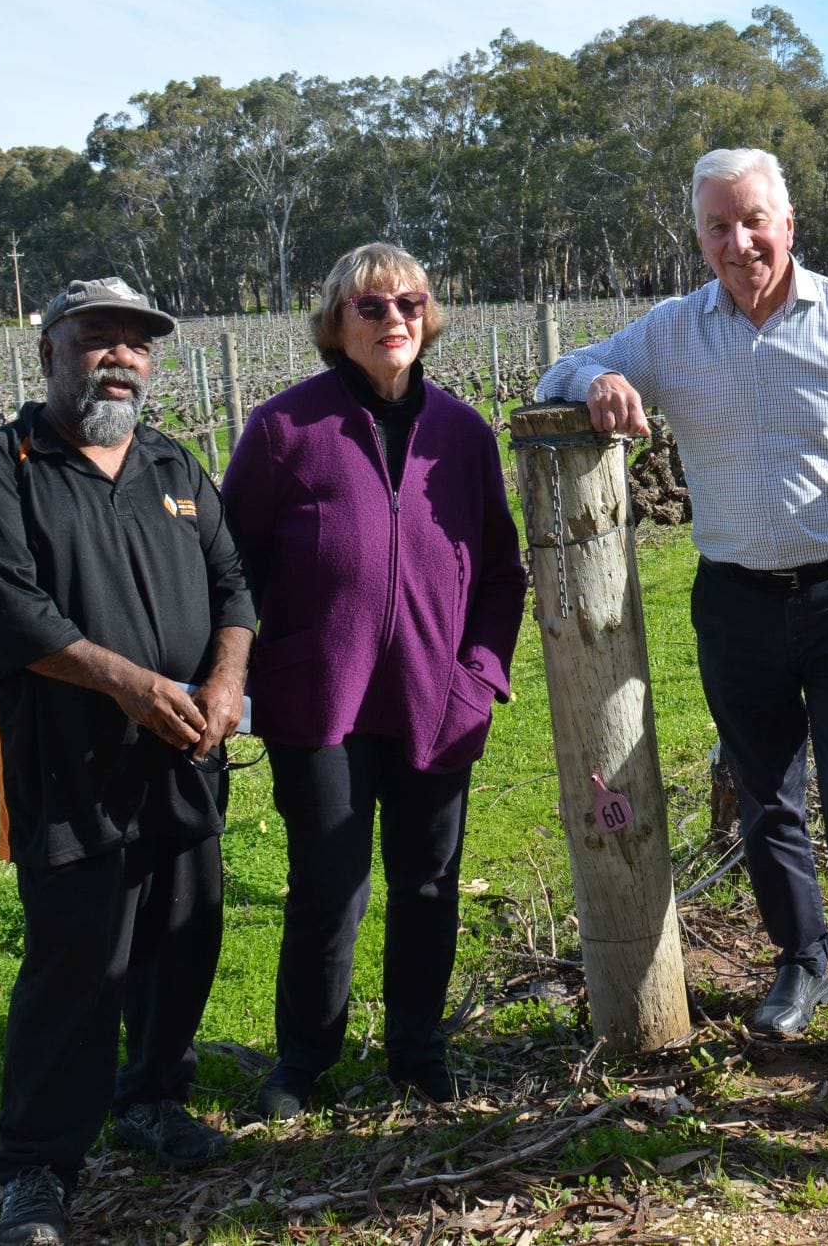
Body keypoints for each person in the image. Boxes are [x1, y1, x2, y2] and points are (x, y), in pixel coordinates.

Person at [535, 147, 828, 1084]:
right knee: (763, 795)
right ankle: (801, 959)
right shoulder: (674, 330)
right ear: (700, 238)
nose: (739, 242)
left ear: (788, 224)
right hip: (736, 603)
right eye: (718, 226)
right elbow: (561, 367)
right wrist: (596, 382)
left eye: (754, 220)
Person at [0, 277, 255, 1246]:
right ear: (49, 351)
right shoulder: (0, 469)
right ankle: (37, 1166)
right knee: (76, 960)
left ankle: (152, 1095)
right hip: (69, 767)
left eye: (135, 342)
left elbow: (232, 584)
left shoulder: (172, 464)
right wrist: (127, 683)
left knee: (182, 936)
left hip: (184, 755)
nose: (119, 356)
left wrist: (226, 678)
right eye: (96, 338)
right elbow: (9, 609)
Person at [223, 243, 526, 1117]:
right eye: (371, 306)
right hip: (319, 705)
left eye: (410, 303)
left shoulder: (464, 435)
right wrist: (245, 675)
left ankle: (417, 1052)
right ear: (337, 322)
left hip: (438, 701)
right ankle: (302, 1059)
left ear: (428, 316)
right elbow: (232, 570)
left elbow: (500, 573)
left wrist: (480, 675)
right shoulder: (282, 430)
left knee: (428, 883)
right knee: (330, 885)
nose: (394, 318)